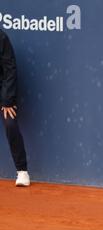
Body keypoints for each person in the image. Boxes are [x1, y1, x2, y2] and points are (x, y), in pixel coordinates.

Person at [0, 29, 30, 187]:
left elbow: (9, 69)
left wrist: (7, 100)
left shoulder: (1, 37)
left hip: (3, 93)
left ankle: (22, 171)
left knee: (10, 123)